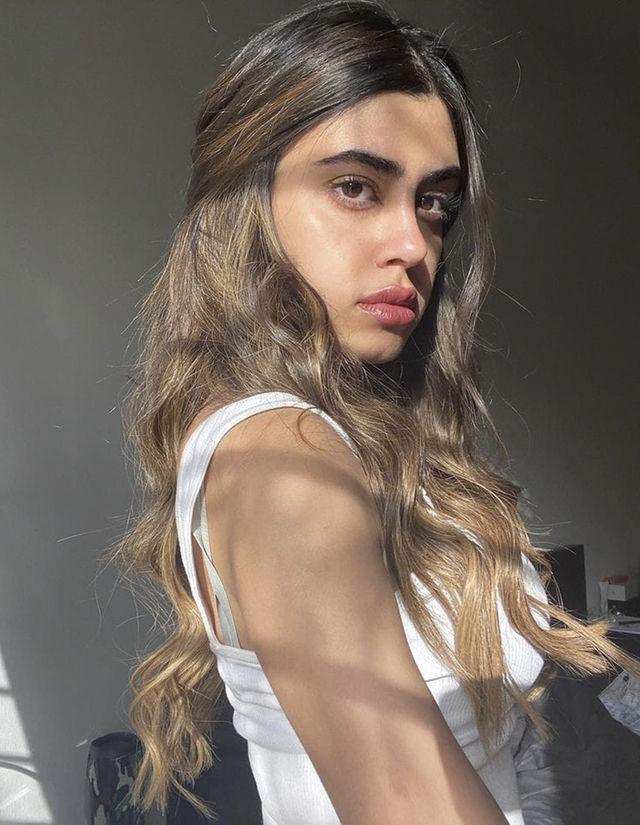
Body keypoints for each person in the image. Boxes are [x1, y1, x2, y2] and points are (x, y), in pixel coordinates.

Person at [107, 1, 640, 823]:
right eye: (355, 187)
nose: (415, 245)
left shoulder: (340, 436)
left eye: (435, 204)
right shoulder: (280, 454)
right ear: (245, 196)